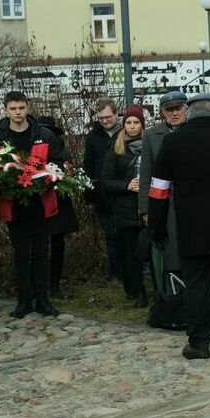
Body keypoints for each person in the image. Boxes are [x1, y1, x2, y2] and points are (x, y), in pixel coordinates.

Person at [149, 93, 210, 359]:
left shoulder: (172, 143)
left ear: (189, 112)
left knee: (196, 284)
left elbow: (158, 191)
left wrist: (157, 229)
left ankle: (199, 342)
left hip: (192, 228)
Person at [0, 91, 69, 319]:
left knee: (42, 252)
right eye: (13, 109)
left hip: (41, 201)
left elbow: (57, 160)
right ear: (5, 110)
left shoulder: (43, 134)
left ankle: (43, 300)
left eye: (21, 108)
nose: (17, 113)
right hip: (14, 203)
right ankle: (24, 301)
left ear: (27, 108)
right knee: (21, 252)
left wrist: (47, 175)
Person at [138, 91, 189, 328]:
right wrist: (146, 210)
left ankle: (198, 298)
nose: (175, 113)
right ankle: (174, 301)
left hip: (193, 202)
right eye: (170, 110)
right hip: (165, 205)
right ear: (162, 112)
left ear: (186, 109)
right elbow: (146, 174)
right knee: (170, 255)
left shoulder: (195, 130)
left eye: (179, 108)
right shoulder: (151, 135)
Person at [101, 104, 148, 307]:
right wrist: (126, 185)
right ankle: (137, 291)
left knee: (149, 250)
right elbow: (106, 180)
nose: (131, 126)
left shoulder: (151, 145)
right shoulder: (116, 148)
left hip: (148, 206)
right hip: (125, 208)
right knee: (131, 252)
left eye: (136, 122)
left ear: (142, 124)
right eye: (128, 122)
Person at [36, 115, 78, 299]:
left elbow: (69, 173)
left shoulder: (62, 152)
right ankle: (41, 284)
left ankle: (54, 284)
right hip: (38, 204)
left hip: (59, 204)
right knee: (39, 247)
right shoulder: (33, 150)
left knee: (58, 245)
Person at [84, 99, 121, 281]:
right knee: (110, 236)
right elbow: (88, 168)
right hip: (101, 193)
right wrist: (89, 198)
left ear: (116, 114)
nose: (105, 121)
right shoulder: (92, 137)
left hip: (124, 191)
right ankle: (114, 273)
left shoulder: (125, 131)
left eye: (108, 117)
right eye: (101, 118)